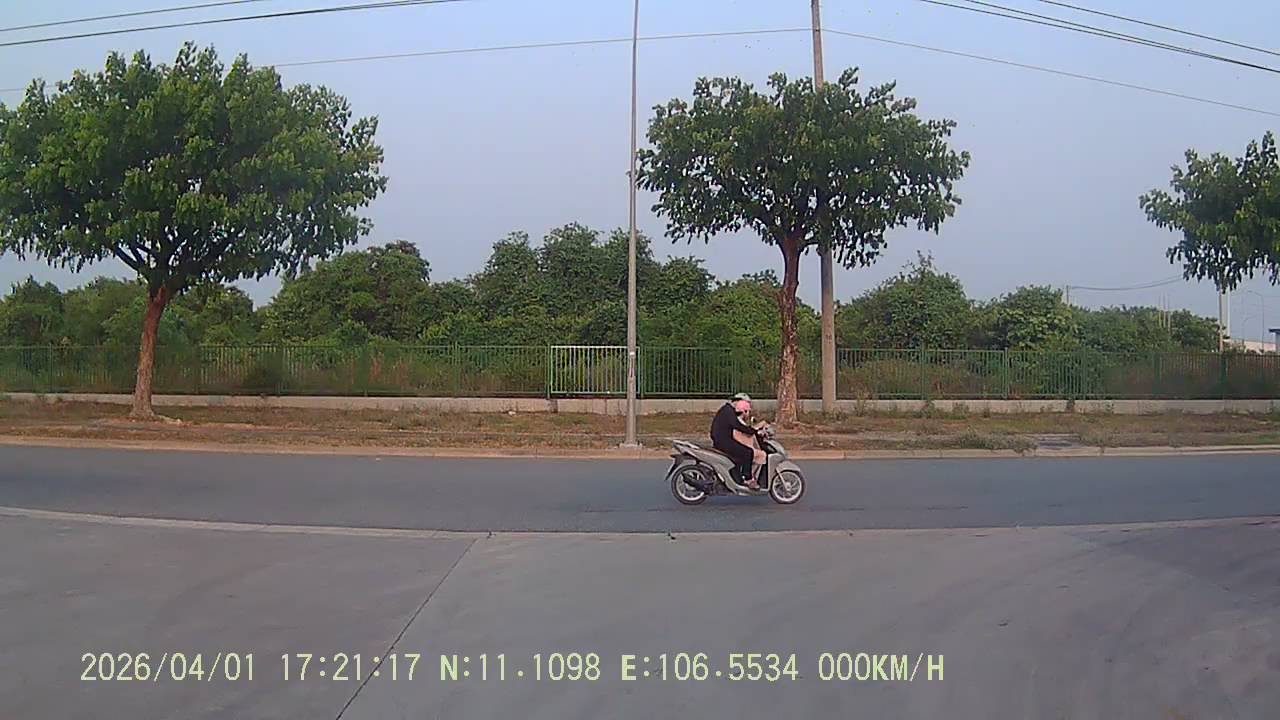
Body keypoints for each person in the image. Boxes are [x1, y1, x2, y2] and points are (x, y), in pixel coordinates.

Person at [710, 393, 768, 490]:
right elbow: (738, 426)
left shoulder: (728, 410)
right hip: (724, 442)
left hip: (723, 440)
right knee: (748, 452)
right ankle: (748, 479)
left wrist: (752, 430)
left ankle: (737, 478)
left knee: (741, 454)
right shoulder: (729, 412)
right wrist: (752, 431)